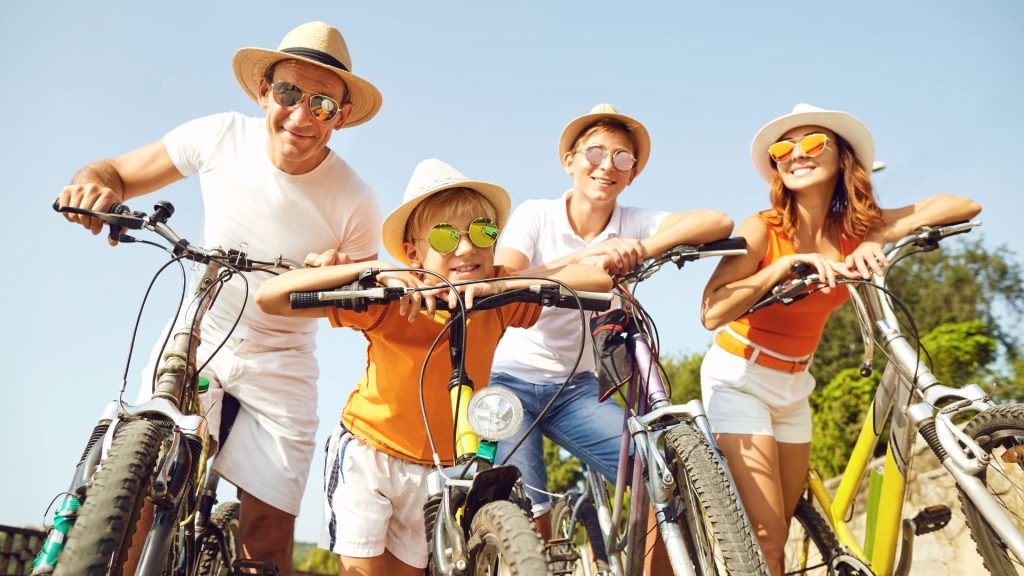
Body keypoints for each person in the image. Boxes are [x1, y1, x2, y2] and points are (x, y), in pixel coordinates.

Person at [55, 21, 383, 574]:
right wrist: (96, 186)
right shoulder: (217, 135)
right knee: (129, 498)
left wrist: (337, 283)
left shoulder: (357, 201)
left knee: (268, 536)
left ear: (342, 116)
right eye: (289, 94)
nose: (302, 116)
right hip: (198, 327)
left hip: (283, 358)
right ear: (264, 92)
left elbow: (360, 307)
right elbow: (114, 171)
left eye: (323, 104)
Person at [256, 158, 613, 576]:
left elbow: (596, 279)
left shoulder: (498, 299)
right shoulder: (389, 300)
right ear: (413, 253)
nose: (466, 249)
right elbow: (270, 297)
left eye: (482, 232)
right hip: (370, 454)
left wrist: (503, 284)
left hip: (437, 469)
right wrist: (374, 270)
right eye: (444, 238)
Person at [699, 103, 981, 575]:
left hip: (795, 386)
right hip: (740, 377)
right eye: (783, 148)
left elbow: (962, 204)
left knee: (786, 527)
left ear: (841, 157)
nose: (796, 154)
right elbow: (711, 309)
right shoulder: (763, 227)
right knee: (767, 540)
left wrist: (881, 235)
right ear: (776, 165)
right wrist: (781, 268)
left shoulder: (854, 228)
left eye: (812, 143)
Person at [488, 103, 734, 541]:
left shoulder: (631, 222)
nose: (608, 166)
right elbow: (505, 278)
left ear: (632, 173)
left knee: (656, 475)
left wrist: (642, 247)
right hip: (510, 379)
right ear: (570, 161)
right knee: (529, 512)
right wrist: (583, 258)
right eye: (596, 154)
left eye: (623, 158)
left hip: (577, 388)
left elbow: (718, 221)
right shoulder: (536, 214)